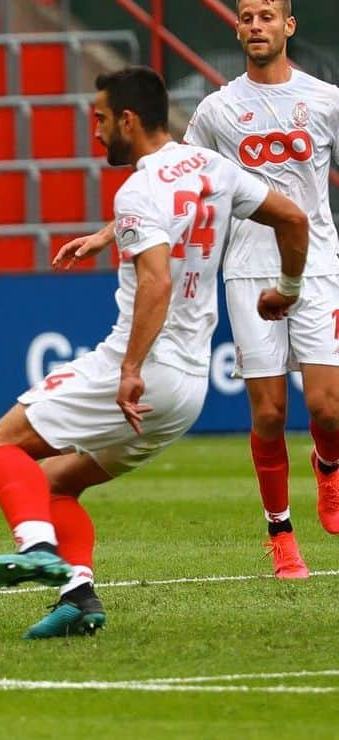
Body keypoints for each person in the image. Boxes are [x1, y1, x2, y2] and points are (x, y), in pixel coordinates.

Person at [0, 66, 308, 639]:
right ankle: (79, 598)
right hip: (187, 390)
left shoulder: (137, 188)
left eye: (101, 119)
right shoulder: (214, 168)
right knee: (57, 482)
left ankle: (35, 545)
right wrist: (289, 289)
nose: (97, 133)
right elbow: (293, 217)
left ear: (128, 119)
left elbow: (154, 282)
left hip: (143, 372)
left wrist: (128, 370)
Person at [182, 0, 339, 577]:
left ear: (288, 26)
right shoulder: (218, 111)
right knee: (269, 413)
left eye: (267, 16)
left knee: (328, 405)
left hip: (319, 266)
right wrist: (110, 230)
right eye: (247, 16)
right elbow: (182, 180)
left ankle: (328, 466)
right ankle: (280, 533)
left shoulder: (325, 100)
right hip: (248, 269)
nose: (255, 26)